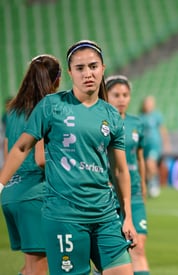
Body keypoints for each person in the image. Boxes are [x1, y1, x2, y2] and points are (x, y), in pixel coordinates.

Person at [0, 40, 138, 275]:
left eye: (93, 66)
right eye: (80, 68)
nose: (88, 73)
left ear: (103, 69)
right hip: (65, 216)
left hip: (105, 215)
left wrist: (128, 217)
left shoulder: (112, 115)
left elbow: (120, 170)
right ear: (70, 72)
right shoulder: (51, 106)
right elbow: (22, 148)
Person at [1, 54, 61, 275]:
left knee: (30, 268)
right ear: (57, 79)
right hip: (35, 194)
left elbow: (9, 153)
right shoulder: (47, 108)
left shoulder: (13, 111)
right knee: (39, 268)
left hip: (11, 193)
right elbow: (41, 158)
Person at [105, 75, 150, 275]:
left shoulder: (136, 123)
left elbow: (139, 156)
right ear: (106, 96)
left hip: (134, 193)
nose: (121, 99)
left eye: (125, 95)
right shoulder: (100, 123)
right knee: (111, 253)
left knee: (138, 246)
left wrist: (143, 184)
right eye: (116, 95)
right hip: (107, 195)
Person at [140, 95, 170, 198]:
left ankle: (154, 184)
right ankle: (148, 185)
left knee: (150, 163)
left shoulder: (156, 116)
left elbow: (162, 129)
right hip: (143, 146)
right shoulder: (140, 117)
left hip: (154, 145)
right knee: (145, 167)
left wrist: (166, 143)